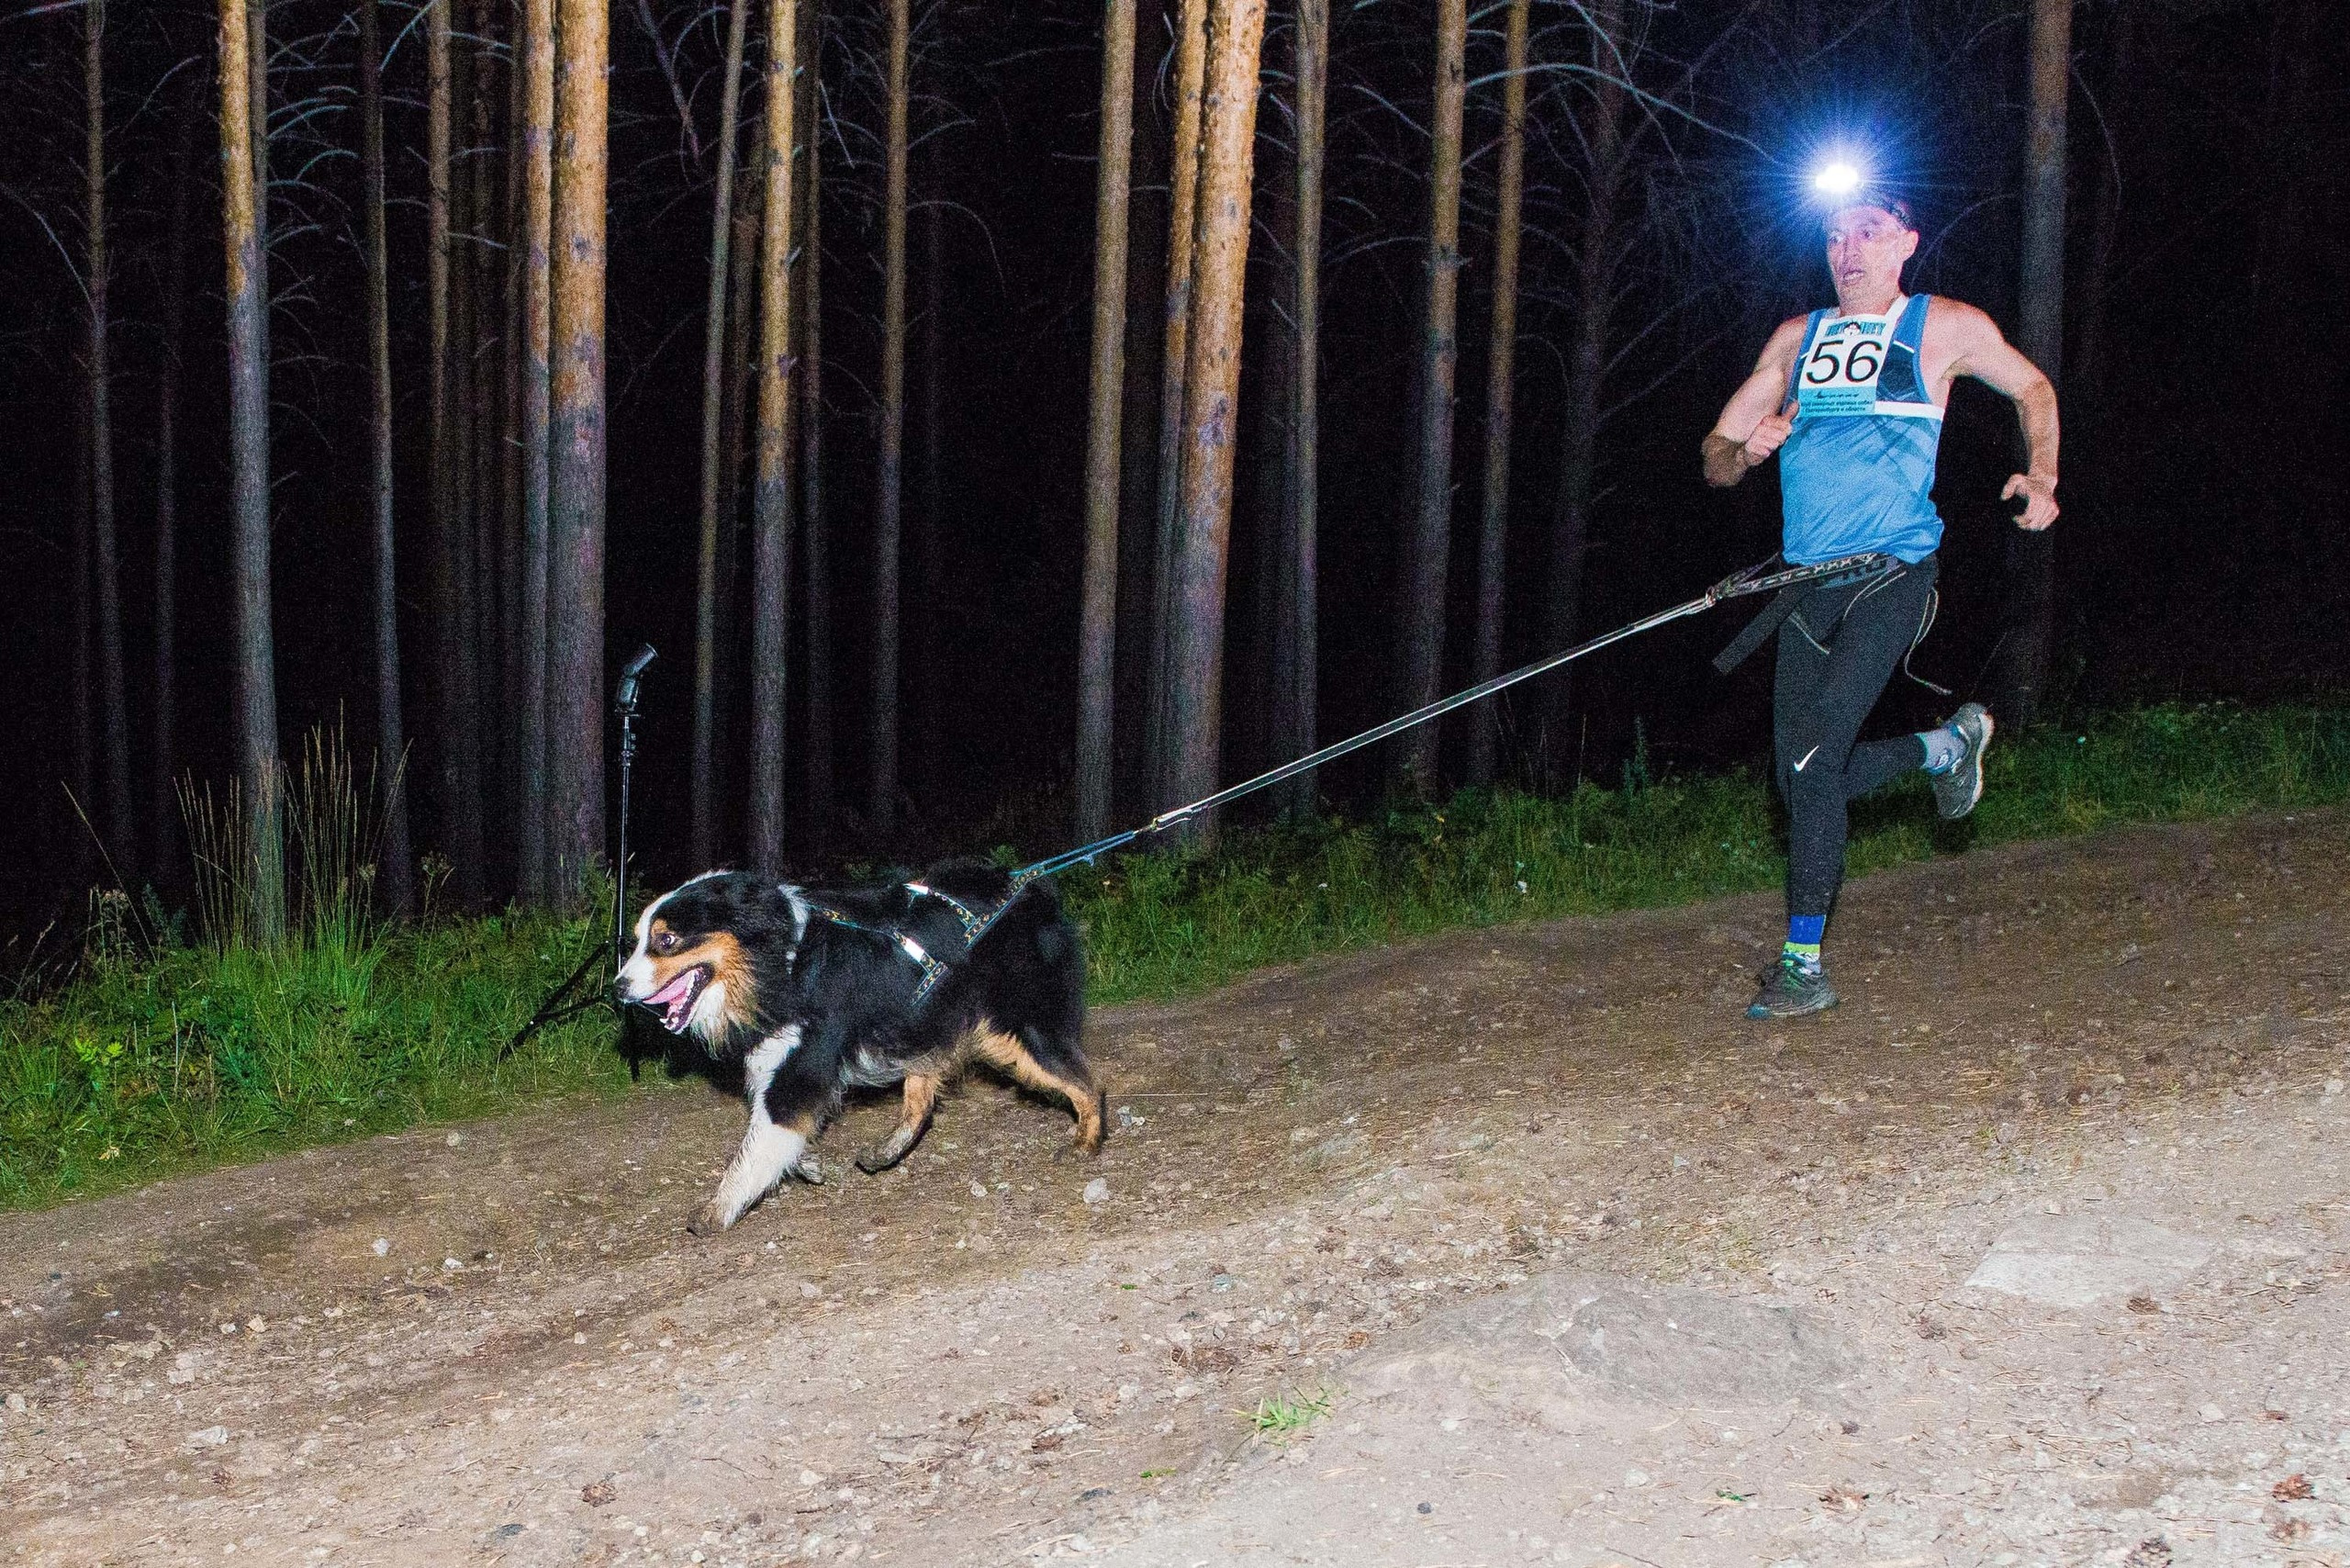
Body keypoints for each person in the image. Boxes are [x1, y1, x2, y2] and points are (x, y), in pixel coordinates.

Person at [1701, 185, 2060, 1019]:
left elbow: (2033, 388)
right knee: (1800, 782)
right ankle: (1945, 747)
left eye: (1867, 231)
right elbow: (1715, 454)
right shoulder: (1797, 338)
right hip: (1804, 587)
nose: (1848, 248)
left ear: (1906, 242)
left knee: (1814, 766)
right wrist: (1746, 450)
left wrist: (2041, 473)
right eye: (1834, 234)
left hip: (1894, 571)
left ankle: (1802, 965)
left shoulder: (1946, 327)